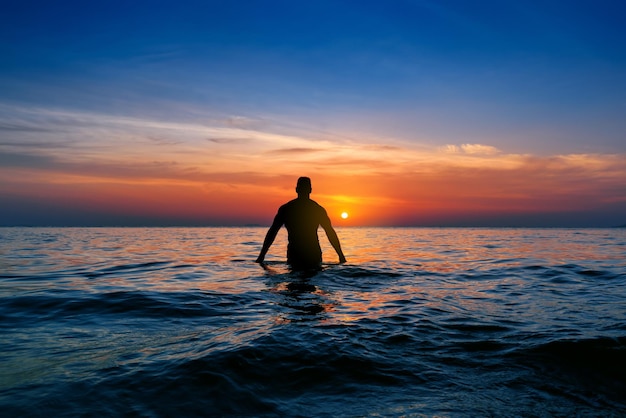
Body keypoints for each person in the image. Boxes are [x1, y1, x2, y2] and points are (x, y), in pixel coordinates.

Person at [256, 177, 346, 269]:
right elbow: (330, 232)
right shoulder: (317, 209)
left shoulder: (287, 209)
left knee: (295, 280)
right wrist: (341, 256)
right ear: (310, 190)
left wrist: (262, 256)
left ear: (296, 190)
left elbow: (273, 232)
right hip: (308, 254)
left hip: (299, 254)